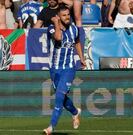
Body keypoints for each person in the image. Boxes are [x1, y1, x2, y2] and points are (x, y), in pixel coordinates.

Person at [43, 4, 86, 135]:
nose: (67, 17)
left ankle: (51, 127)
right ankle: (75, 112)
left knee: (59, 96)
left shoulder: (74, 29)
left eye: (68, 14)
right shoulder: (51, 28)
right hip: (54, 69)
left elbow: (77, 42)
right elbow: (58, 37)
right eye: (64, 15)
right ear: (58, 17)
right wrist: (56, 24)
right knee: (62, 97)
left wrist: (81, 57)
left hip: (69, 68)